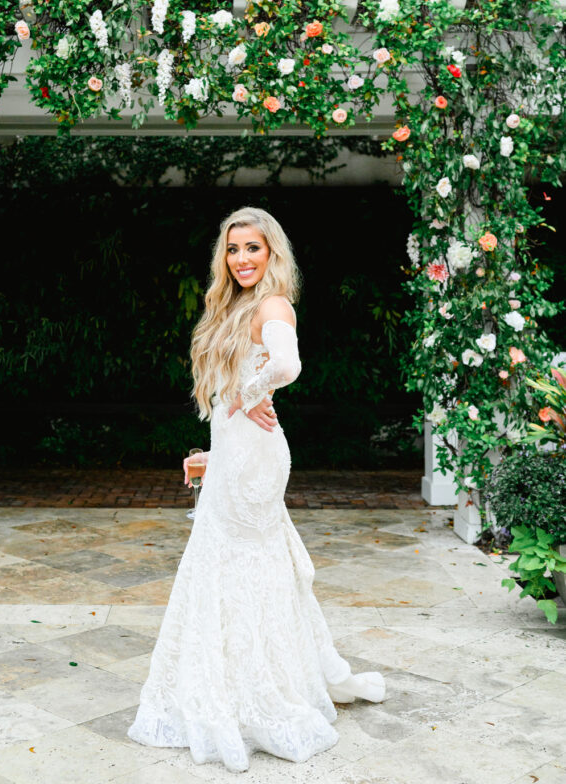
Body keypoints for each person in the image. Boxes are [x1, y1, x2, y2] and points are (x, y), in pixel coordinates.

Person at [127, 206, 386, 772]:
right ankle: (239, 684)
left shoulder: (273, 303)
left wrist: (249, 393)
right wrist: (215, 452)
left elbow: (287, 364)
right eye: (234, 249)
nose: (242, 259)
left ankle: (258, 693)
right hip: (237, 454)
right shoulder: (233, 305)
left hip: (257, 460)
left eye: (254, 249)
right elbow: (230, 399)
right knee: (231, 566)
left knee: (238, 566)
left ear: (273, 255)